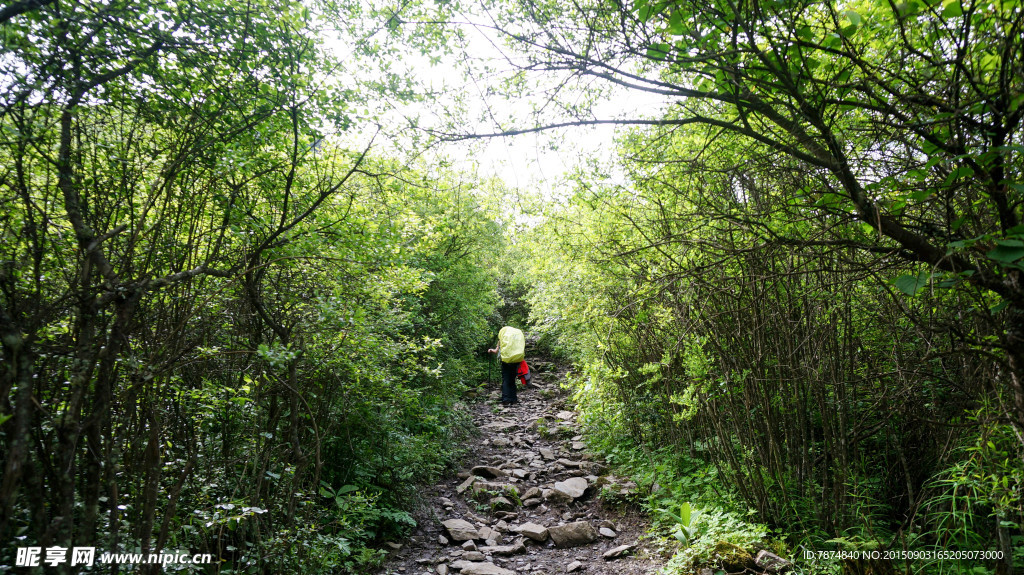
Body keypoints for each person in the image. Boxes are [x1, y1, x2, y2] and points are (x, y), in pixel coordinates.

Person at [488, 325, 525, 405]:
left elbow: (496, 351)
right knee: (512, 379)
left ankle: (505, 399)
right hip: (516, 360)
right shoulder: (515, 339)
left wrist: (491, 350)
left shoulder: (502, 339)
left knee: (506, 379)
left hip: (506, 361)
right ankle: (513, 399)